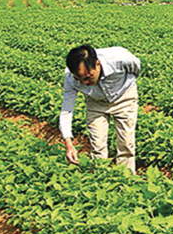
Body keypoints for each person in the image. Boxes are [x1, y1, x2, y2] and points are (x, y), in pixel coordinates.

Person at [60, 45, 140, 173]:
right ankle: (101, 177)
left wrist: (126, 86)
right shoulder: (70, 77)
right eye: (79, 79)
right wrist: (68, 144)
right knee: (97, 145)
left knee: (126, 143)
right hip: (96, 103)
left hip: (124, 98)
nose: (84, 83)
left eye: (88, 77)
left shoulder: (120, 59)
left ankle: (126, 179)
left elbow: (136, 68)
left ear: (97, 64)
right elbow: (66, 110)